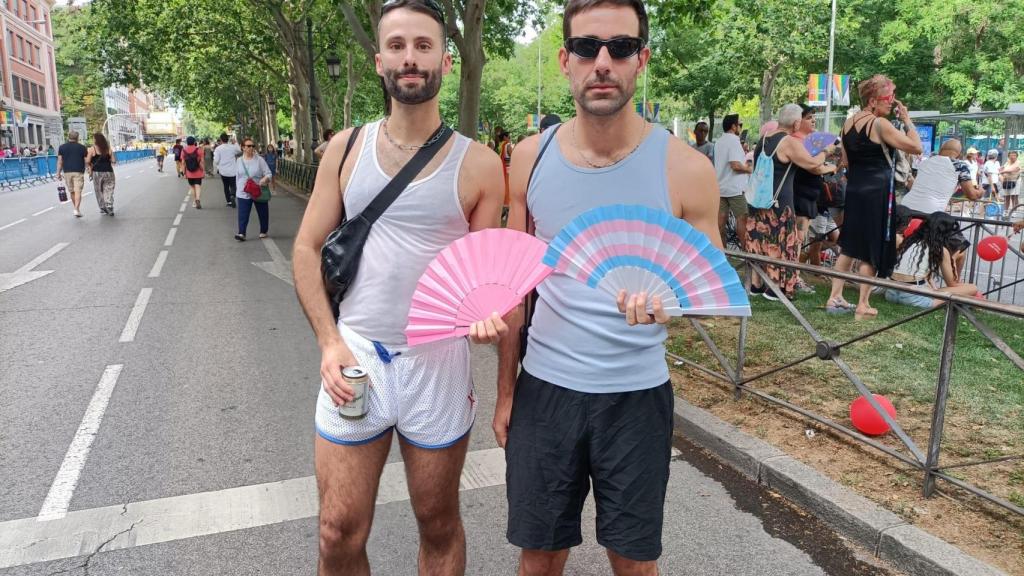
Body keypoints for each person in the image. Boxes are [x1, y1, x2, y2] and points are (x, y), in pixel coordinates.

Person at [495, 1, 720, 574]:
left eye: (620, 48)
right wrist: (505, 394)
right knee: (539, 558)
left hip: (636, 399)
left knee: (633, 562)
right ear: (564, 59)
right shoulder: (528, 158)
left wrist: (669, 302)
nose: (603, 62)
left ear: (640, 60)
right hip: (544, 390)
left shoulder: (686, 168)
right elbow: (517, 289)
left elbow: (712, 285)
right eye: (587, 48)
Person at [291, 1, 505, 574]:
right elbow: (307, 248)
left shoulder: (482, 165)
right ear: (380, 58)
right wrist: (329, 343)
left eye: (424, 45)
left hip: (436, 365)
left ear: (445, 60)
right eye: (397, 45)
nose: (410, 58)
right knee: (337, 532)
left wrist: (485, 315)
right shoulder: (344, 150)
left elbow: (484, 276)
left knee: (438, 524)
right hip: (356, 355)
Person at [825, 74, 923, 318]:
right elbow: (916, 147)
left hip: (856, 190)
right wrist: (908, 120)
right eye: (888, 98)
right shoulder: (880, 124)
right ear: (872, 100)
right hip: (877, 192)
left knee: (849, 245)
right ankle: (863, 303)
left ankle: (834, 297)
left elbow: (845, 161)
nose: (892, 103)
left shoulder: (847, 125)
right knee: (870, 248)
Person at [746, 104, 836, 301]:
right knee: (779, 243)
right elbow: (812, 164)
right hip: (779, 203)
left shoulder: (763, 140)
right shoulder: (788, 142)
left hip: (758, 200)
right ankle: (774, 288)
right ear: (796, 123)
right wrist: (826, 151)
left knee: (760, 241)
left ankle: (755, 284)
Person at [886, 211, 979, 308]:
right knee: (972, 288)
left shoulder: (908, 242)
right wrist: (953, 259)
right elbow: (952, 283)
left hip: (891, 293)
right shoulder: (940, 249)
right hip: (914, 299)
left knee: (933, 289)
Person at [790, 104, 823, 294]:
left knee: (799, 238)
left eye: (813, 117)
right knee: (798, 238)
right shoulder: (796, 141)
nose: (813, 120)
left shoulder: (808, 140)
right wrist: (825, 159)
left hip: (809, 194)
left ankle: (794, 276)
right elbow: (814, 167)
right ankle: (794, 278)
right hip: (799, 195)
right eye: (809, 117)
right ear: (798, 120)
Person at [714, 113, 751, 248]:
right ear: (733, 126)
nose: (740, 128)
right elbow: (735, 165)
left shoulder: (719, 141)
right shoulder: (734, 140)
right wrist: (748, 169)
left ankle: (724, 254)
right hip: (735, 189)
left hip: (721, 188)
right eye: (740, 125)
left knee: (720, 224)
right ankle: (748, 256)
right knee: (742, 221)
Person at [233, 138, 272, 240]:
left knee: (263, 213)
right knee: (243, 214)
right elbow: (238, 176)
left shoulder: (259, 160)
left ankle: (263, 231)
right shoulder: (239, 160)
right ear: (243, 148)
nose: (251, 148)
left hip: (257, 190)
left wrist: (265, 179)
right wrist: (236, 190)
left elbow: (268, 173)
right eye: (248, 146)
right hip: (243, 191)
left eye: (252, 146)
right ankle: (242, 233)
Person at [56, 131, 89, 218]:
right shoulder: (82, 147)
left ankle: (76, 209)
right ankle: (76, 209)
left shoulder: (62, 147)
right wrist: (89, 170)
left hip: (67, 172)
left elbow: (60, 161)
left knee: (72, 191)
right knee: (78, 191)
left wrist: (58, 173)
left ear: (68, 137)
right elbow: (86, 161)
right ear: (77, 138)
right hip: (78, 172)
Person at [86, 132, 117, 216]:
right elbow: (114, 161)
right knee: (109, 189)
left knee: (99, 190)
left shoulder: (92, 149)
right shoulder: (108, 149)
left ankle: (103, 207)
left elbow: (87, 161)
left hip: (97, 172)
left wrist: (90, 167)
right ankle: (109, 205)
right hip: (108, 172)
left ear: (96, 140)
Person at [213, 133, 241, 207]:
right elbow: (239, 151)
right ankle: (232, 195)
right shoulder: (232, 147)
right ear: (228, 139)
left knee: (226, 186)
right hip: (233, 170)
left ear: (221, 139)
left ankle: (229, 201)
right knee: (233, 185)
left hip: (223, 171)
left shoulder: (218, 149)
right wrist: (235, 143)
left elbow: (216, 161)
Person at [181, 136, 205, 209]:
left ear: (187, 142)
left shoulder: (184, 150)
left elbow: (183, 163)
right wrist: (203, 171)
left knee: (192, 187)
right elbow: (202, 161)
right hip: (198, 172)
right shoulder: (199, 150)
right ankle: (197, 199)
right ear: (194, 142)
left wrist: (184, 173)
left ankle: (195, 201)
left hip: (189, 173)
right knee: (198, 186)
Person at [1000, 150, 1020, 214]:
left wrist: (1004, 171)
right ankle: (1005, 211)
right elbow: (1001, 169)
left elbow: (1013, 170)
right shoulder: (1007, 162)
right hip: (1006, 181)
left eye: (1014, 155)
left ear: (1017, 156)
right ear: (1009, 156)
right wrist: (1002, 173)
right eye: (1011, 155)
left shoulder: (1018, 162)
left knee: (1014, 197)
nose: (1013, 157)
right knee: (1006, 197)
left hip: (1015, 181)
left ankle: (1014, 211)